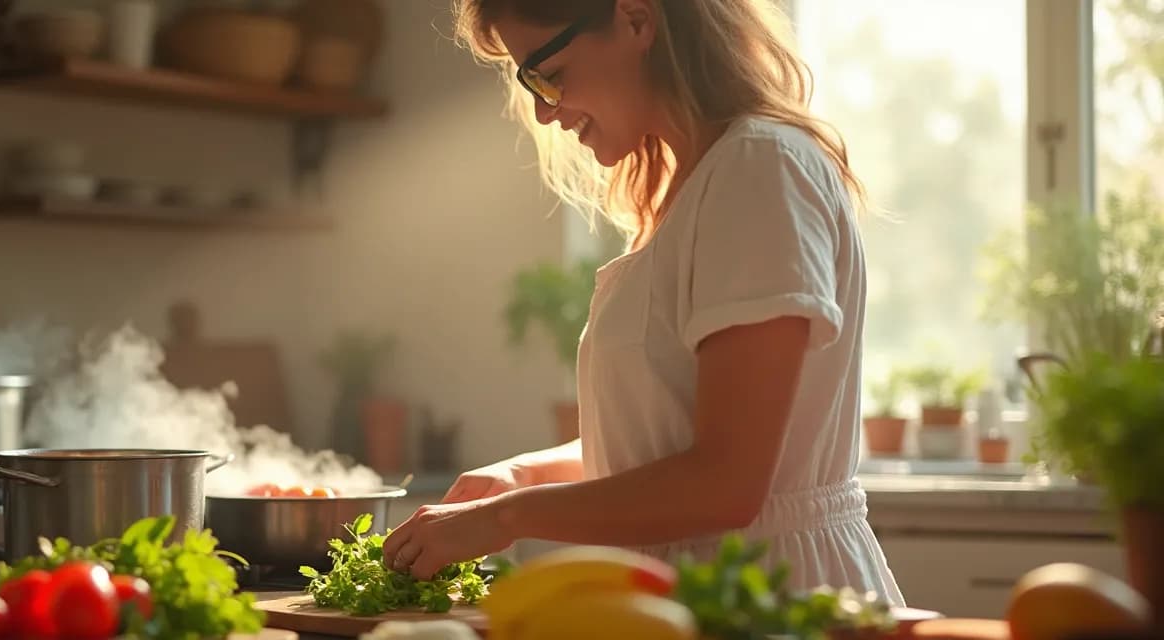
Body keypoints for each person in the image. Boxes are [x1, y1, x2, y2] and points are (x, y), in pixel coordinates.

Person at [380, 0, 904, 604]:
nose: (544, 111)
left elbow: (725, 484)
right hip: (702, 591)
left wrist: (506, 519)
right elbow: (663, 440)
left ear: (634, 19)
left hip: (771, 596)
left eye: (545, 73)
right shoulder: (698, 183)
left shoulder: (759, 167)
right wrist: (519, 477)